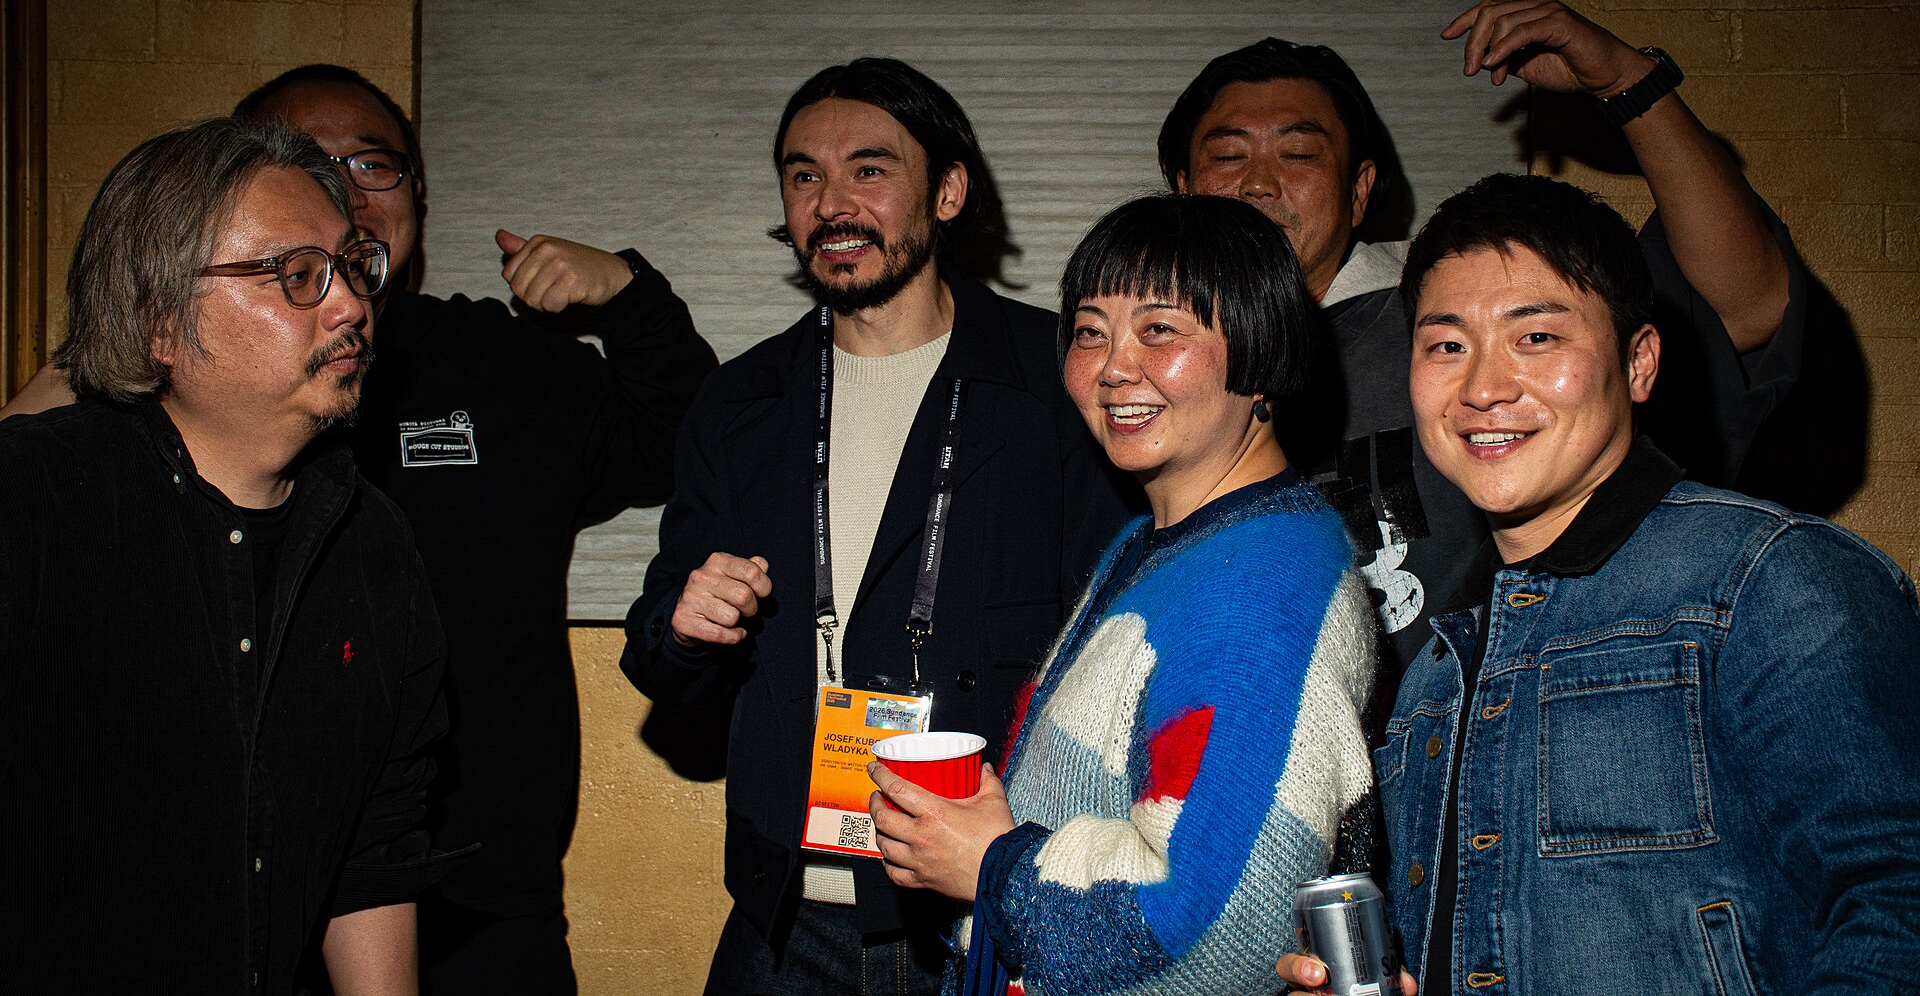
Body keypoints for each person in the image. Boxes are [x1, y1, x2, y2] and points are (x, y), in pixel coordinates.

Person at [2, 64, 719, 994]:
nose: (342, 301)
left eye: (368, 166)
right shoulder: (66, 487)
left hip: (473, 907)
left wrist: (628, 297)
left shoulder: (379, 519)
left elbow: (692, 442)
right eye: (293, 268)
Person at [1282, 174, 1920, 994]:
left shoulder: (1769, 578)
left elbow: (1897, 901)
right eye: (1446, 345)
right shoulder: (1436, 671)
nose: (1482, 387)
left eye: (1537, 339)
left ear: (1640, 362)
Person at [621, 57, 1136, 995]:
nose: (832, 202)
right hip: (785, 910)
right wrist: (687, 627)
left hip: (978, 907)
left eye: (869, 169)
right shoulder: (741, 402)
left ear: (946, 192)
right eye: (803, 174)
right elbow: (655, 652)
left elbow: (1122, 644)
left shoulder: (1061, 378)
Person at [1160, 0, 1804, 693]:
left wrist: (1628, 83)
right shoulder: (1129, 368)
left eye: (1300, 153)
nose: (1259, 182)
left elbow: (1741, 308)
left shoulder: (1453, 304)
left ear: (1360, 190)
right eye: (1228, 155)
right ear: (1183, 189)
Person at [867, 194, 1376, 996]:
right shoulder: (1155, 540)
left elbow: (1224, 931)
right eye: (1091, 331)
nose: (1112, 367)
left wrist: (996, 869)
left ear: (1261, 344)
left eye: (1161, 330)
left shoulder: (1262, 581)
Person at [0, 118, 452, 994]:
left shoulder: (373, 543)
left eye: (352, 267)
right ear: (157, 319)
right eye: (297, 276)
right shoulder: (34, 499)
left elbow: (375, 843)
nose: (351, 304)